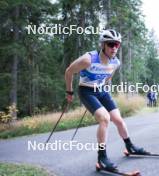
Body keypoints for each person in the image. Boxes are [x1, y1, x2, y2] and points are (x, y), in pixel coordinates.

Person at [65, 29, 148, 171]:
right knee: (105, 118)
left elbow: (109, 75)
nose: (114, 48)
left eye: (117, 44)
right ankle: (102, 158)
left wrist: (105, 86)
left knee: (119, 120)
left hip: (102, 91)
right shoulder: (88, 59)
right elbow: (69, 71)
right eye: (111, 44)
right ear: (103, 45)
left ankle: (130, 146)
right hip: (87, 91)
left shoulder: (115, 62)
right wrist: (69, 91)